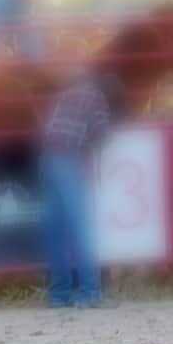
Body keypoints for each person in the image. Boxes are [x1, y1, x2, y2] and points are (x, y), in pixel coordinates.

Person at [39, 71, 125, 309]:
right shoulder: (96, 98)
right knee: (83, 229)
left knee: (56, 231)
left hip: (47, 158)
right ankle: (90, 292)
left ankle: (59, 294)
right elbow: (103, 136)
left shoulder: (67, 93)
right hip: (68, 158)